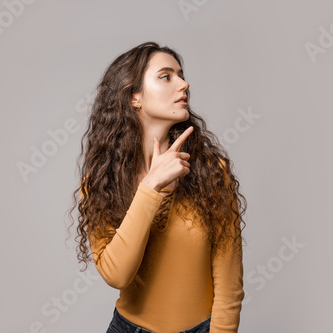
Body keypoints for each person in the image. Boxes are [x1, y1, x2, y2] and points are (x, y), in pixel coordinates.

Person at [66, 41, 247, 333]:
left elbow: (229, 282)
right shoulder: (101, 182)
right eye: (166, 76)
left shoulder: (211, 172)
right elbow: (117, 274)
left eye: (181, 74)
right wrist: (150, 186)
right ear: (135, 96)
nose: (184, 83)